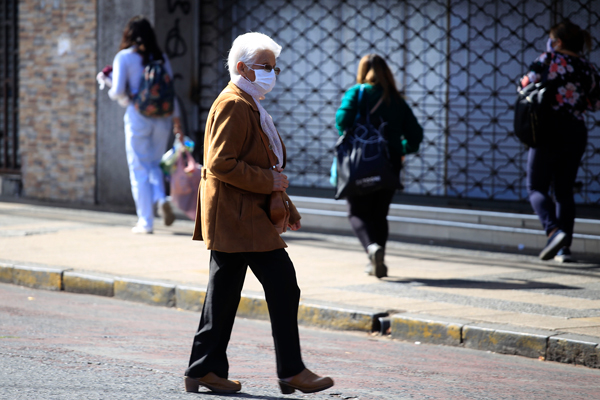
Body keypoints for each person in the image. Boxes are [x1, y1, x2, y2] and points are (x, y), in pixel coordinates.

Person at [184, 32, 334, 395]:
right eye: (265, 67)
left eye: (274, 67)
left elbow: (264, 165)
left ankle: (203, 369)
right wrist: (270, 184)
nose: (272, 73)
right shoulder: (234, 104)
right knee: (283, 285)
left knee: (223, 294)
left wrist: (286, 204)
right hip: (238, 217)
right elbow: (220, 163)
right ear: (241, 68)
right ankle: (292, 370)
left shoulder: (249, 103)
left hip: (240, 215)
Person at [335, 54, 423, 278]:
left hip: (358, 163)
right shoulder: (396, 99)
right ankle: (378, 257)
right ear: (387, 72)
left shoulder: (357, 92)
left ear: (362, 71)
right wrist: (401, 148)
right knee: (380, 214)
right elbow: (416, 135)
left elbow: (342, 122)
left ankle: (371, 249)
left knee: (356, 211)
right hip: (389, 162)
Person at [520, 20, 600, 262]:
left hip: (547, 129)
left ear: (558, 42)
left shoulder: (547, 59)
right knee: (564, 190)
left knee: (536, 187)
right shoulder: (588, 67)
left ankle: (553, 231)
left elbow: (525, 85)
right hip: (575, 130)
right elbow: (596, 103)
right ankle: (564, 250)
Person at [108, 15, 180, 234]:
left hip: (138, 116)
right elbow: (171, 92)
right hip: (163, 118)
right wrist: (177, 122)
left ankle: (145, 222)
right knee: (155, 163)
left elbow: (118, 91)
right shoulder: (161, 57)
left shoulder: (124, 57)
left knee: (138, 167)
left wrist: (107, 84)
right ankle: (161, 197)